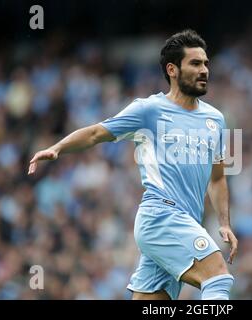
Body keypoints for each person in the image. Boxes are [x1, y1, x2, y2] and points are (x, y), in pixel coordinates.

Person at [28, 29, 238, 300]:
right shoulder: (148, 110)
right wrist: (58, 147)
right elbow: (95, 133)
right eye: (195, 63)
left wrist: (224, 223)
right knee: (218, 278)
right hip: (161, 216)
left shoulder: (216, 120)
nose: (205, 70)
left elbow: (218, 178)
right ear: (172, 70)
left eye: (206, 63)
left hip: (187, 225)